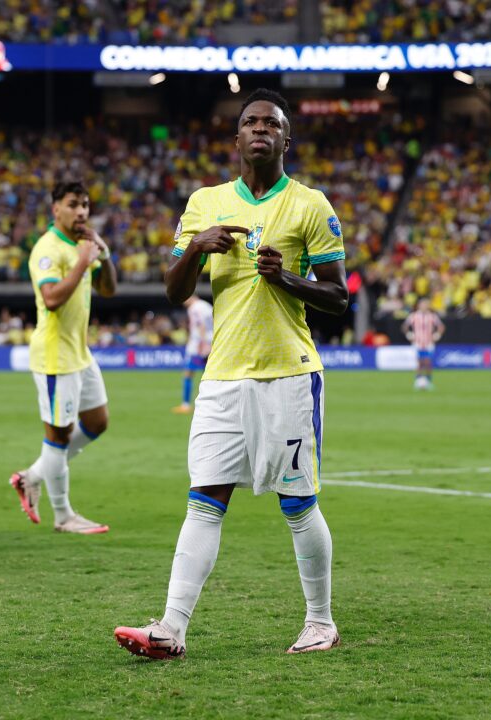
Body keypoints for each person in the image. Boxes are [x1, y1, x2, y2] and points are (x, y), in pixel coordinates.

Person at [114, 89, 349, 659]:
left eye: (272, 122)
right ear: (237, 137)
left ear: (286, 139)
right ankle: (171, 629)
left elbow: (339, 297)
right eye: (251, 122)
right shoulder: (204, 202)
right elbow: (175, 292)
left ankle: (320, 621)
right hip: (221, 377)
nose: (260, 128)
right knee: (204, 498)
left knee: (297, 502)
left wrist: (288, 277)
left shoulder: (311, 205)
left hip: (288, 375)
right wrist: (195, 247)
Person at [9, 180, 117, 534]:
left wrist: (102, 252)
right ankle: (63, 516)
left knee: (97, 422)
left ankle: (33, 477)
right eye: (74, 204)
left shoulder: (83, 245)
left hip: (80, 353)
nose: (82, 211)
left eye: (85, 204)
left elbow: (109, 289)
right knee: (57, 437)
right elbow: (52, 298)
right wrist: (83, 262)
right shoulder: (48, 248)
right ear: (56, 208)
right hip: (55, 356)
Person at [173, 295, 213, 414]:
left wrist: (203, 343)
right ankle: (211, 405)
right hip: (212, 341)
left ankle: (185, 405)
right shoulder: (206, 305)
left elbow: (200, 324)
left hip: (198, 345)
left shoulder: (194, 308)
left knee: (188, 373)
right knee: (209, 375)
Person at [402, 298, 444, 391]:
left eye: (426, 304)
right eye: (423, 304)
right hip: (417, 343)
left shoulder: (432, 316)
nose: (424, 306)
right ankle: (418, 381)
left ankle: (428, 381)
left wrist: (437, 335)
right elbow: (404, 326)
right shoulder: (413, 316)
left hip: (429, 343)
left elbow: (441, 327)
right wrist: (409, 334)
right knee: (419, 363)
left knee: (428, 363)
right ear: (419, 305)